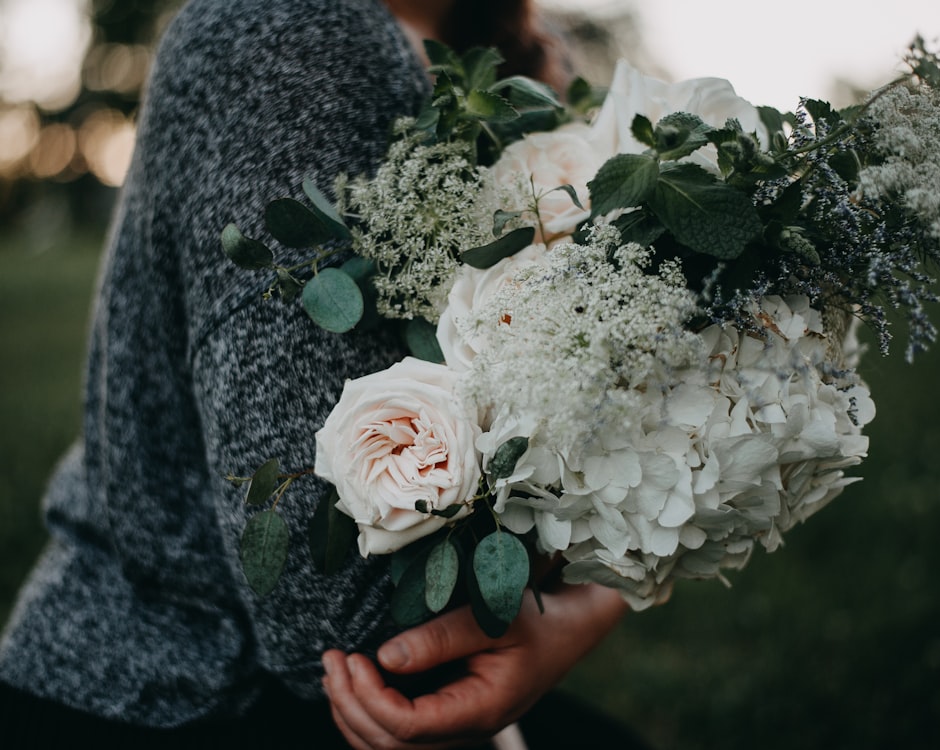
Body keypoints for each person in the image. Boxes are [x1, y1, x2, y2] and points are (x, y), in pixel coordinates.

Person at [0, 1, 652, 748]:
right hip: (177, 691)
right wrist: (592, 600)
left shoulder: (531, 61)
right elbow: (327, 614)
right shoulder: (288, 34)